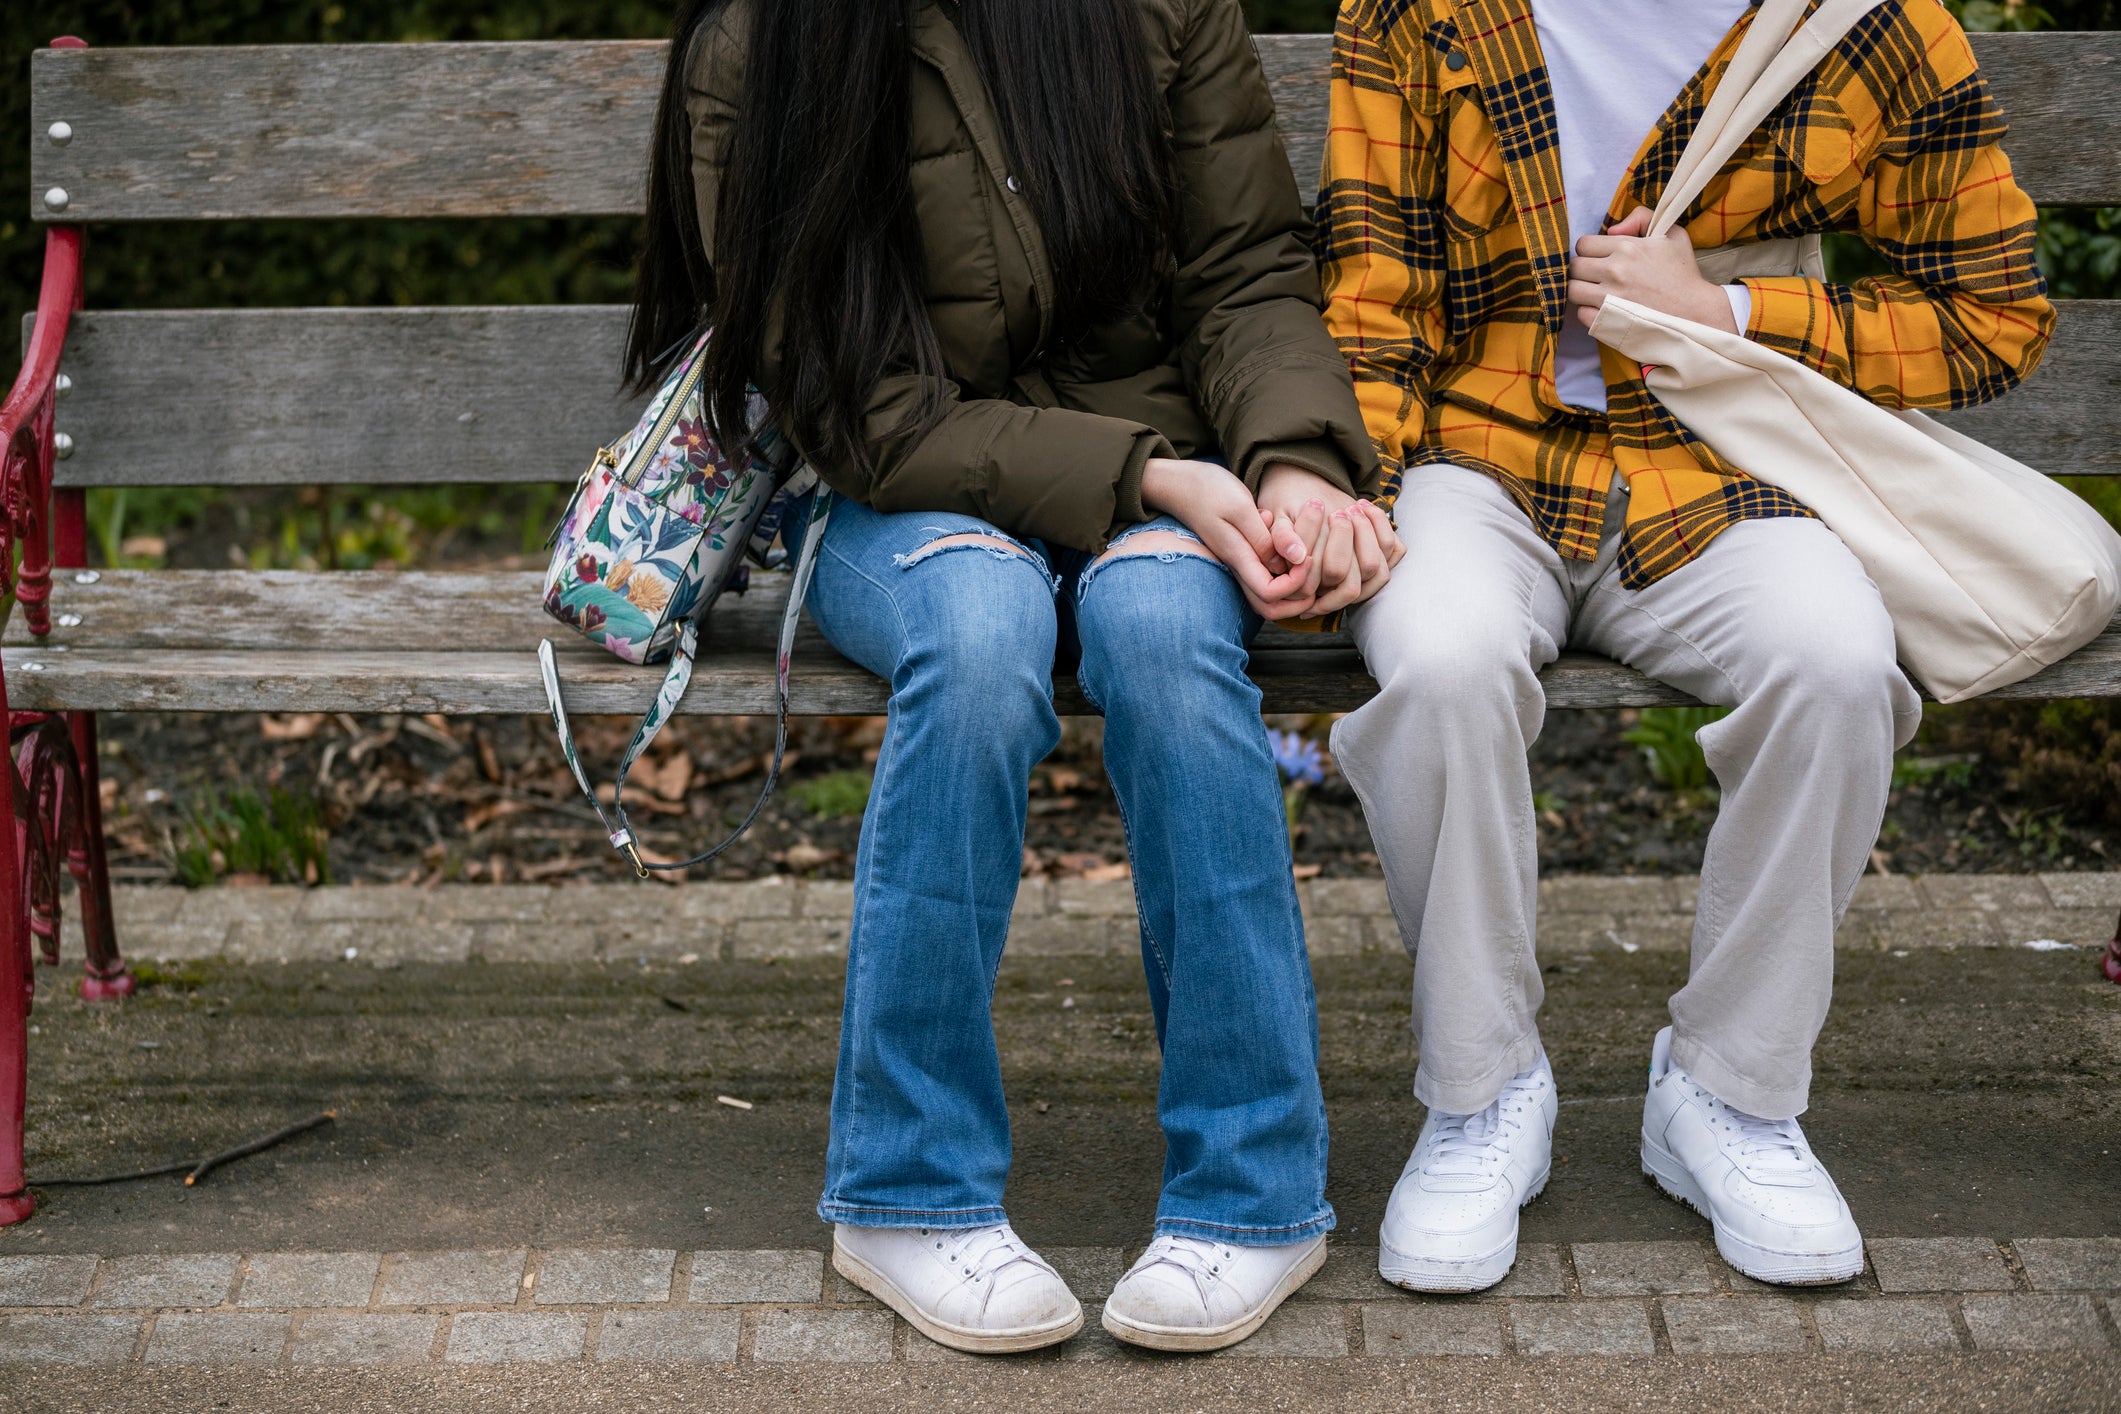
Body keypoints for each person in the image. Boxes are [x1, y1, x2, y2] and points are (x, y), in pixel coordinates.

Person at [630, 0, 1401, 1353]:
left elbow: (1243, 271)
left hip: (1164, 454)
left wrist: (1288, 458)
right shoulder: (766, 42)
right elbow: (847, 401)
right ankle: (904, 1192)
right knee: (980, 632)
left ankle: (1256, 1190)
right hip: (894, 483)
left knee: (1166, 634)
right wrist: (1145, 475)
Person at [1316, 0, 2051, 1292]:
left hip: (1720, 461)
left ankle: (1729, 1093)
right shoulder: (1421, 8)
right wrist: (1344, 501)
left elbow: (1994, 315)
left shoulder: (1856, 22)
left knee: (1831, 660)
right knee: (1440, 657)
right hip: (1477, 457)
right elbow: (1371, 297)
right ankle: (1481, 1092)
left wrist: (1735, 309)